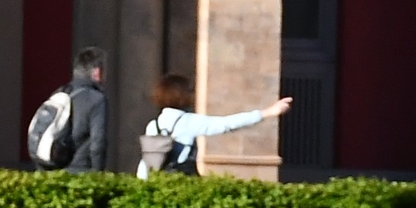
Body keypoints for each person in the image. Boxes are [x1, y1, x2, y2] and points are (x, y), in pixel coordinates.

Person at [141, 74, 292, 176]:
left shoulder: (153, 125)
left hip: (158, 182)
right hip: (182, 182)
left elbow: (147, 161)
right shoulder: (189, 121)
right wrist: (267, 112)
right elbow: (226, 124)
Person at [59, 48, 109, 174]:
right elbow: (97, 143)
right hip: (81, 170)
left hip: (54, 170)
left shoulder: (60, 93)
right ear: (97, 72)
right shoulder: (96, 99)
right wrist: (98, 173)